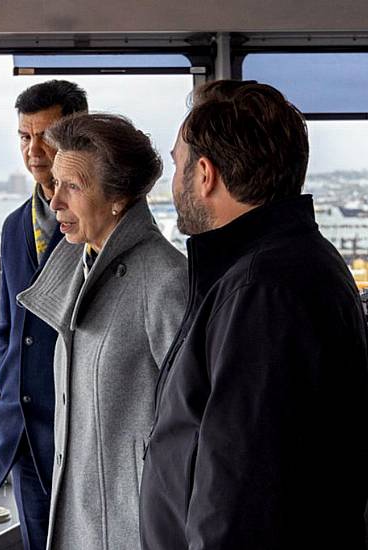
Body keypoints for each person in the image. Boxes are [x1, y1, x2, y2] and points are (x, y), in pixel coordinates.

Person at [139, 80, 368, 549]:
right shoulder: (282, 266)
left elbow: (239, 497)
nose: (174, 179)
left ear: (205, 174)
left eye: (178, 163)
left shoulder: (261, 290)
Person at [18, 112, 187, 549]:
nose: (55, 202)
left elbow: (196, 432)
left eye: (72, 187)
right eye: (55, 185)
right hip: (80, 521)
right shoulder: (78, 265)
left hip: (135, 530)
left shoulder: (167, 282)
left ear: (119, 198)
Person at [0, 80, 87, 550]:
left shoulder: (99, 223)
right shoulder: (13, 226)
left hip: (78, 433)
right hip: (22, 432)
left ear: (78, 137)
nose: (35, 149)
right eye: (25, 136)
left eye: (48, 135)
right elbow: (8, 329)